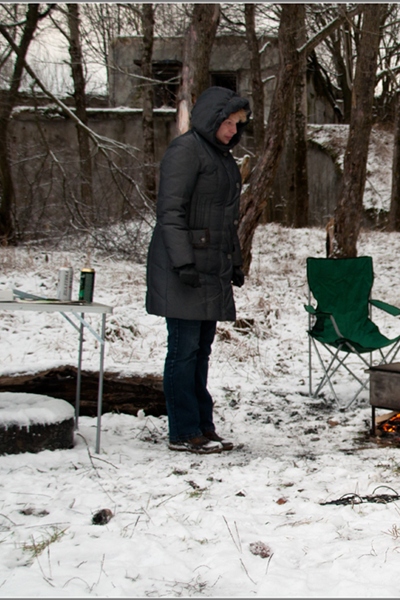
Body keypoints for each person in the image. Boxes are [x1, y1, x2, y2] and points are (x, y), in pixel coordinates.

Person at [146, 86, 251, 454]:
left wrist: (234, 263)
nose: (232, 132)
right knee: (183, 351)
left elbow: (225, 221)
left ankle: (203, 427)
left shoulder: (221, 157)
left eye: (237, 125)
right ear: (211, 119)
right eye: (227, 123)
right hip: (183, 269)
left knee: (200, 351)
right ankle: (183, 431)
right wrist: (183, 262)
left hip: (210, 268)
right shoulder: (185, 150)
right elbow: (169, 213)